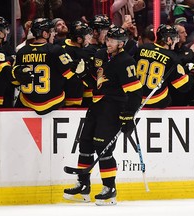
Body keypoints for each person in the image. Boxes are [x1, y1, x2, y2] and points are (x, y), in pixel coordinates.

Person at [63, 25, 143, 206]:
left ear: (122, 44)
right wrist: (83, 73)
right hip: (96, 105)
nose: (108, 43)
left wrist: (129, 114)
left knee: (103, 146)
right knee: (85, 143)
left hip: (113, 107)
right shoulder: (100, 55)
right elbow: (95, 82)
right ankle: (83, 185)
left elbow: (135, 92)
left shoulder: (126, 61)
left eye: (112, 41)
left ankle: (109, 189)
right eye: (107, 39)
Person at [14, 18, 79, 115]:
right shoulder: (56, 50)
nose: (53, 34)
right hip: (54, 103)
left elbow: (14, 80)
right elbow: (71, 75)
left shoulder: (22, 52)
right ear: (45, 34)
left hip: (26, 103)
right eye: (51, 32)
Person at [134, 24, 194, 108]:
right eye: (174, 38)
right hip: (157, 101)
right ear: (168, 40)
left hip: (138, 99)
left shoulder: (142, 48)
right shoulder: (172, 57)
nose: (176, 41)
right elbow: (183, 85)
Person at [62, 21, 92, 107]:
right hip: (74, 94)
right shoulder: (83, 54)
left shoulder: (60, 45)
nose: (88, 39)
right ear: (79, 39)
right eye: (86, 36)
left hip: (58, 94)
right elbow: (87, 80)